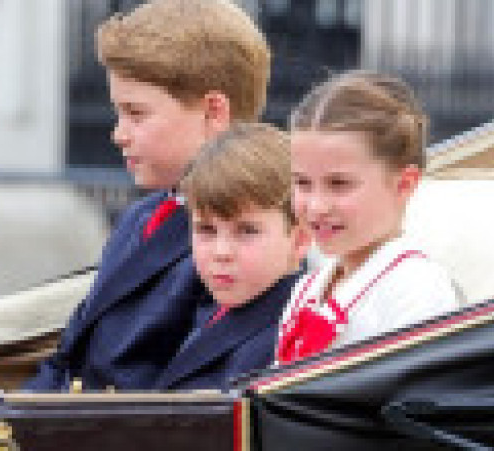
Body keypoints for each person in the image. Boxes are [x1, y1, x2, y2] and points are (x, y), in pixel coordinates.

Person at [24, 0, 271, 391]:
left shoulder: (238, 248)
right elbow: (69, 356)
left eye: (136, 114)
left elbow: (187, 395)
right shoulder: (141, 217)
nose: (119, 133)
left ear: (213, 113)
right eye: (118, 113)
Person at [276, 71, 463, 365]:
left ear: (404, 184)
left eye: (339, 184)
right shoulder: (307, 288)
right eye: (302, 183)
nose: (316, 206)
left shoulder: (416, 290)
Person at [153, 123, 307, 391]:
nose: (221, 252)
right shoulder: (209, 306)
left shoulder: (285, 340)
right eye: (206, 230)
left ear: (299, 240)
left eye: (247, 231)